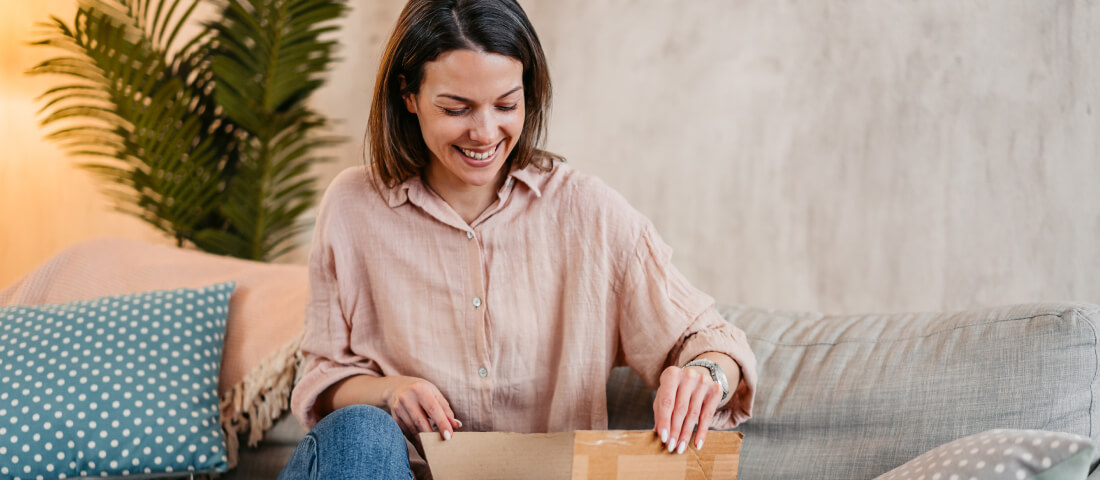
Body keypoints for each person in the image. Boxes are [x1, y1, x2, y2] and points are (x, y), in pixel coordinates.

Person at [278, 0, 758, 478]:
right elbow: (325, 378)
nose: (485, 133)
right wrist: (389, 390)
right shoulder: (352, 206)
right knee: (360, 432)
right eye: (456, 108)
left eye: (506, 104)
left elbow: (711, 339)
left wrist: (706, 374)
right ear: (408, 95)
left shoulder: (588, 213)